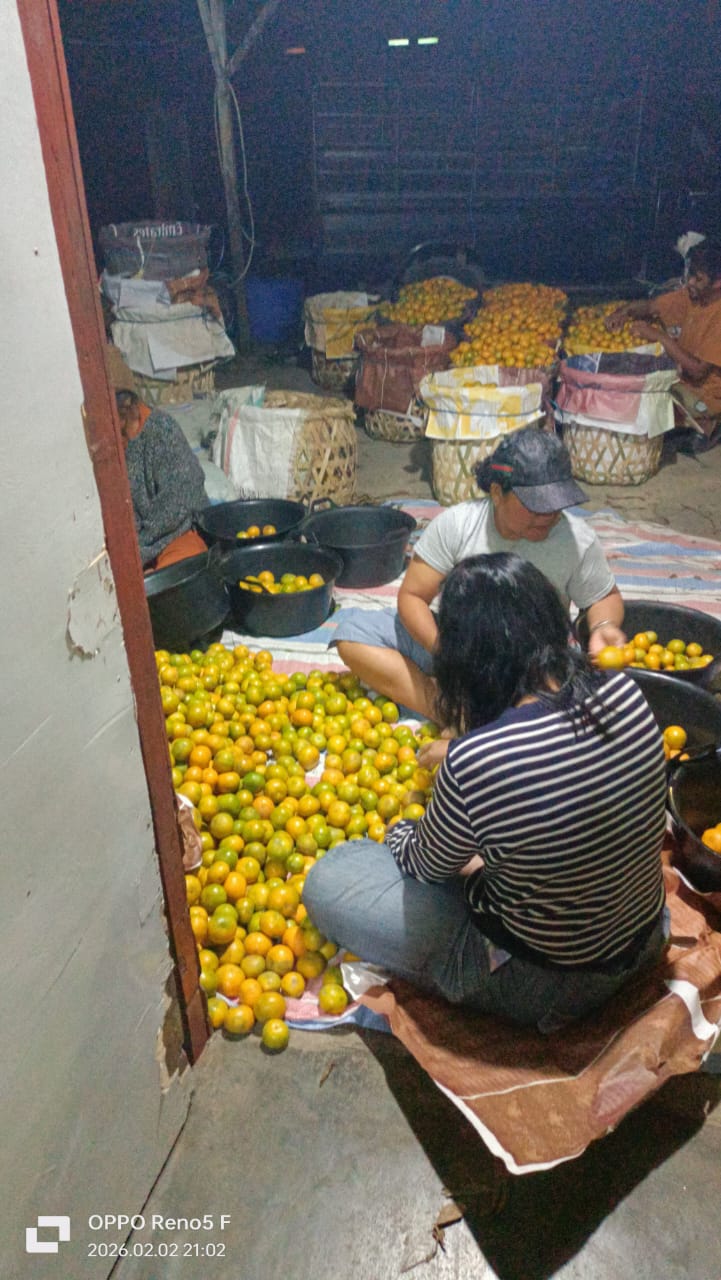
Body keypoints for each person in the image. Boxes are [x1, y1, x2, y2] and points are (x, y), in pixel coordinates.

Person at [305, 553, 668, 1034]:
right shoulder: (624, 691)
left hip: (547, 982)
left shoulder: (477, 760)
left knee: (331, 880)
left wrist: (403, 828)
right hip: (645, 939)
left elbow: (425, 865)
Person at [332, 427, 625, 720]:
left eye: (556, 504)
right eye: (536, 506)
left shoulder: (576, 539)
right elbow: (412, 597)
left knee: (570, 697)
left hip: (532, 663)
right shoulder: (457, 525)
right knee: (353, 635)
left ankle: (487, 718)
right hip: (462, 646)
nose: (548, 515)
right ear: (497, 492)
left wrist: (604, 625)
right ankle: (449, 712)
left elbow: (603, 597)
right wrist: (447, 653)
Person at [606, 237, 721, 451]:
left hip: (705, 395)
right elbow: (651, 307)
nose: (690, 282)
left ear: (717, 283)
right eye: (690, 275)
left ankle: (708, 426)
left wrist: (659, 337)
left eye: (698, 279)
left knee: (647, 407)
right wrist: (623, 312)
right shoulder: (694, 296)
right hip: (681, 380)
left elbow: (697, 371)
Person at [115, 389, 209, 571]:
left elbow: (180, 500)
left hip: (177, 532)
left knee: (178, 573)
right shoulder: (115, 450)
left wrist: (141, 546)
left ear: (128, 412)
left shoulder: (162, 430)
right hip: (142, 544)